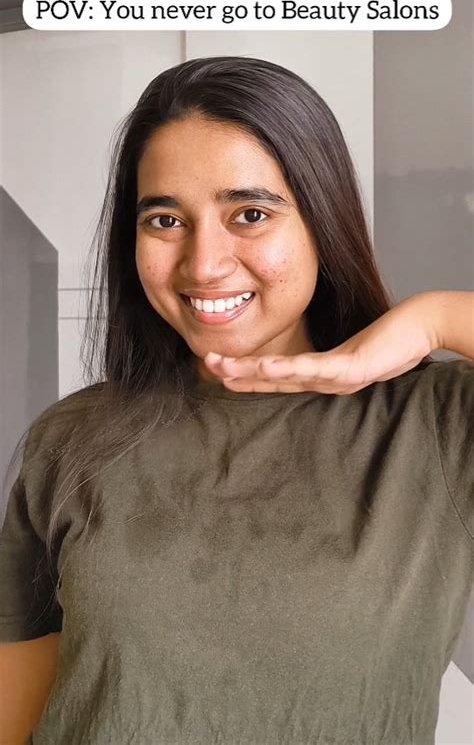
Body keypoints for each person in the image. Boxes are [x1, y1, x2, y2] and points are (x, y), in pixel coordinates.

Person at [0, 56, 472, 745]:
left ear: (323, 220)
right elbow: (21, 699)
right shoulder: (71, 436)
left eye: (250, 214)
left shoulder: (435, 423)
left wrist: (434, 319)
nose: (204, 264)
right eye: (166, 219)